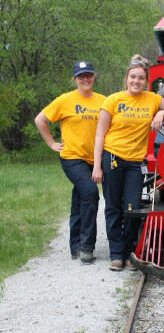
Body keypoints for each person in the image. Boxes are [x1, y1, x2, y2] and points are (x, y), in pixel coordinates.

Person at [91, 54, 164, 271]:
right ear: (126, 78)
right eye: (133, 77)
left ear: (146, 81)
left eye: (141, 78)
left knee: (133, 208)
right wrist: (97, 165)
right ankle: (117, 254)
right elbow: (100, 135)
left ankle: (130, 252)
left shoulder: (152, 99)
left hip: (136, 163)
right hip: (113, 159)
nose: (136, 81)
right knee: (113, 206)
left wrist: (161, 113)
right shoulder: (113, 100)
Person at [35, 61, 106, 264]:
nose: (86, 79)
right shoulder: (65, 100)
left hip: (95, 158)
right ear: (75, 79)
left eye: (89, 75)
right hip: (72, 157)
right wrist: (51, 143)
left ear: (93, 77)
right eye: (81, 76)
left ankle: (74, 245)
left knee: (80, 199)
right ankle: (87, 246)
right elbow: (40, 119)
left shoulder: (103, 100)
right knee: (91, 193)